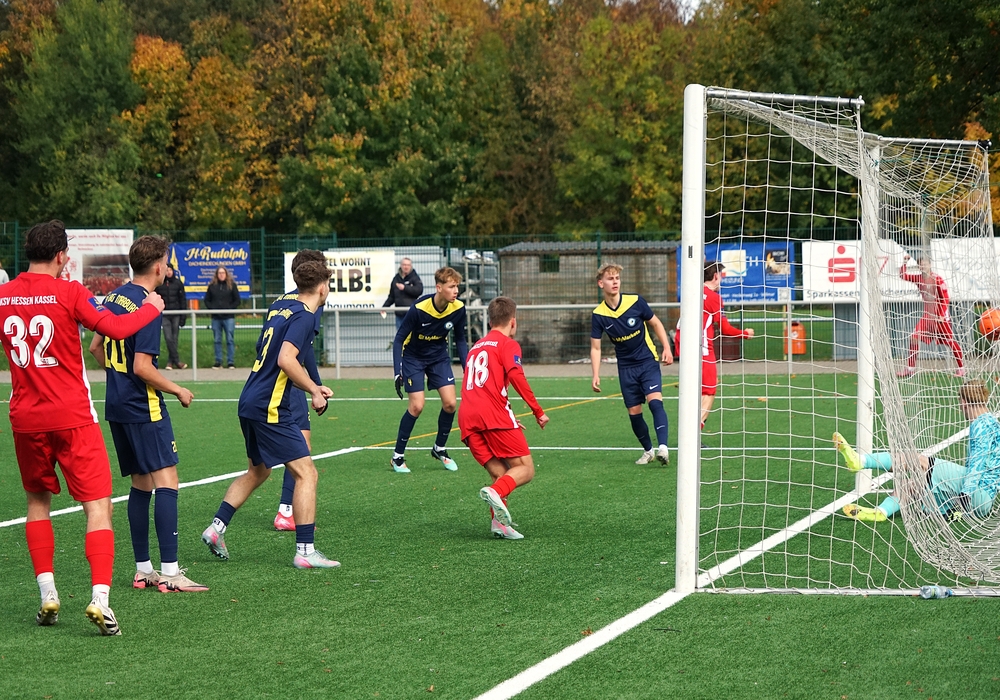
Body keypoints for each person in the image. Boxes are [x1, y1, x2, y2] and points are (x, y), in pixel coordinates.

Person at [0, 220, 165, 635]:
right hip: (72, 417)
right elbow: (115, 328)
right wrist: (151, 307)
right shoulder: (69, 291)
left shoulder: (4, 296)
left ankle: (48, 594)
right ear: (61, 256)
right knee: (98, 506)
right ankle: (100, 601)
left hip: (25, 418)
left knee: (37, 503)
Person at [88, 236, 207, 594]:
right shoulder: (149, 304)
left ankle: (143, 571)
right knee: (167, 480)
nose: (168, 268)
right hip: (144, 406)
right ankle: (170, 573)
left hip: (117, 405)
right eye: (167, 262)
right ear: (157, 266)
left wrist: (118, 378)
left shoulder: (114, 296)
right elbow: (142, 367)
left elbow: (95, 346)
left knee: (140, 484)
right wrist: (177, 389)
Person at [202, 260, 338, 568]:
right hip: (269, 405)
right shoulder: (305, 315)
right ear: (322, 288)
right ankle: (305, 552)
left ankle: (216, 528)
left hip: (250, 398)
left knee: (258, 471)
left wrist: (313, 386)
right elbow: (286, 360)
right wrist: (314, 389)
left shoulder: (280, 308)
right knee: (306, 473)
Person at [834, 380, 1000, 522]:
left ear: (963, 402)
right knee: (913, 484)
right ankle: (881, 512)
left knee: (919, 461)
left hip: (978, 494)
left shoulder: (982, 425)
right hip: (982, 499)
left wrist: (966, 493)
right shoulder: (989, 422)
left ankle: (861, 461)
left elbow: (978, 463)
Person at [459, 297, 549, 539]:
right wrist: (537, 411)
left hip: (468, 418)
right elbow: (516, 376)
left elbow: (484, 386)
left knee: (501, 473)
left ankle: (499, 524)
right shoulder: (508, 344)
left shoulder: (476, 346)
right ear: (513, 322)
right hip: (493, 416)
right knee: (525, 469)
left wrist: (508, 417)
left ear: (490, 321)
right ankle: (495, 492)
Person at [590, 263, 674, 465]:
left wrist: (667, 347)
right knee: (634, 413)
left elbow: (655, 323)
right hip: (626, 368)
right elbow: (596, 348)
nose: (615, 282)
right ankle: (648, 451)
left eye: (617, 278)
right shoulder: (599, 314)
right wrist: (595, 374)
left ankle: (663, 448)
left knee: (655, 402)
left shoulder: (635, 301)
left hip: (647, 360)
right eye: (610, 278)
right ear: (601, 283)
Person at [272, 249, 329, 532]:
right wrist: (314, 387)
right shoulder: (307, 307)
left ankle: (287, 510)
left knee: (262, 465)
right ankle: (287, 511)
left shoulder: (281, 301)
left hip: (272, 381)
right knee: (300, 448)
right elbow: (302, 352)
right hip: (287, 383)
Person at [390, 267, 468, 473]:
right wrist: (397, 371)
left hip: (438, 358)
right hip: (413, 358)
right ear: (439, 288)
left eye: (457, 286)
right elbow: (399, 340)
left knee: (451, 404)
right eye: (451, 286)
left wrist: (468, 368)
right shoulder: (419, 308)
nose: (456, 291)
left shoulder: (458, 308)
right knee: (417, 406)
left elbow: (460, 340)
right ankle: (397, 456)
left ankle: (439, 448)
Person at [681, 261, 756, 428]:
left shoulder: (691, 291)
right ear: (715, 276)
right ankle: (694, 433)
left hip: (684, 347)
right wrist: (745, 334)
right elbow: (725, 328)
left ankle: (691, 431)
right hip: (703, 349)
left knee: (695, 389)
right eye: (721, 276)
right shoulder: (714, 298)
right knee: (709, 390)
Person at [897, 254, 964, 377]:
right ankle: (910, 369)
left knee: (949, 341)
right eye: (920, 264)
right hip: (927, 316)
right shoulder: (918, 278)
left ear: (930, 265)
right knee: (913, 337)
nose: (923, 266)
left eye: (925, 264)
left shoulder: (937, 279)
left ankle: (961, 368)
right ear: (918, 266)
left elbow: (945, 299)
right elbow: (903, 275)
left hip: (940, 315)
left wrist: (942, 314)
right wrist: (905, 263)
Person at [204, 265, 240, 369]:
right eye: (219, 273)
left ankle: (230, 362)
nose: (221, 275)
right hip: (216, 318)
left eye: (223, 273)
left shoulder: (232, 285)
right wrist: (213, 309)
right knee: (217, 340)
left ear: (226, 274)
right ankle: (218, 361)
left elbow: (237, 300)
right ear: (216, 275)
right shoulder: (212, 286)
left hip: (229, 317)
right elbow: (207, 300)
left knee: (230, 340)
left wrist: (229, 308)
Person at [155, 262, 188, 370]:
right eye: (167, 270)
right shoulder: (160, 284)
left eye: (170, 270)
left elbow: (183, 300)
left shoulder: (178, 283)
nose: (169, 272)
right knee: (168, 338)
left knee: (174, 338)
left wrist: (183, 316)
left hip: (176, 314)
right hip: (165, 314)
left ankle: (170, 362)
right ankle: (177, 361)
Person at [382, 257, 423, 330]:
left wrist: (405, 288)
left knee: (412, 334)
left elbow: (419, 290)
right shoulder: (396, 278)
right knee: (400, 335)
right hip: (399, 314)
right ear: (401, 265)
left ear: (411, 266)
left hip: (411, 313)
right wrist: (384, 307)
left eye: (408, 265)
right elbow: (392, 296)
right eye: (404, 265)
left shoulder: (415, 277)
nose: (406, 267)